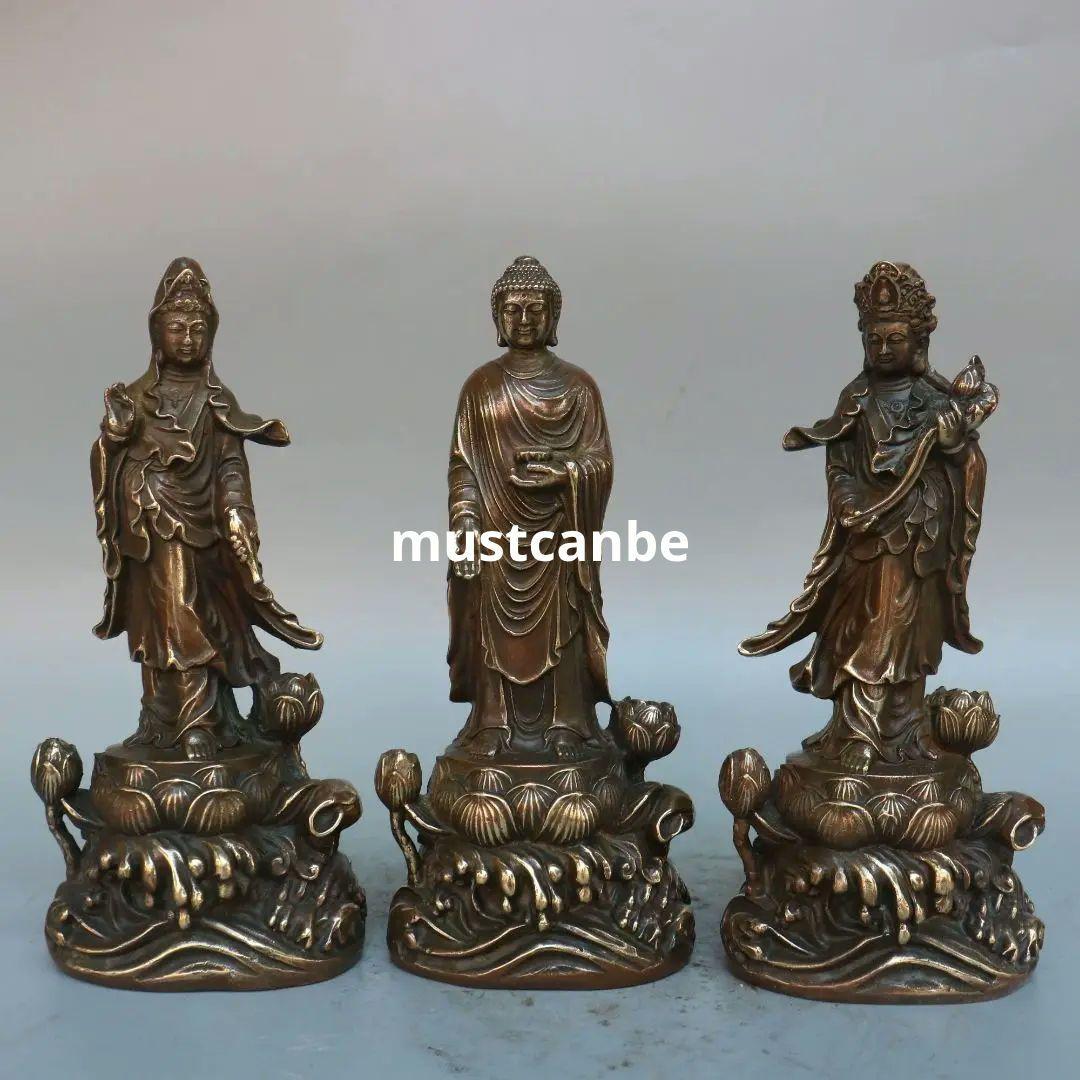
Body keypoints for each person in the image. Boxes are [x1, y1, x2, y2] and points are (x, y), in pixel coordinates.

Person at [92, 258, 321, 759]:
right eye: (177, 328)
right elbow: (107, 457)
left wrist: (238, 513)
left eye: (198, 329)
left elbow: (231, 466)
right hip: (152, 525)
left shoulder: (216, 401)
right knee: (171, 619)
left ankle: (213, 720)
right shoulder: (136, 399)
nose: (188, 339)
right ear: (157, 333)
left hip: (207, 531)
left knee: (209, 618)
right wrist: (114, 438)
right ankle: (179, 723)